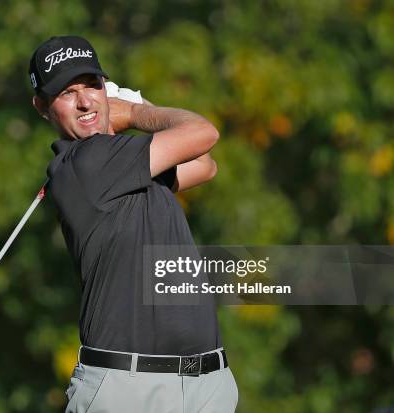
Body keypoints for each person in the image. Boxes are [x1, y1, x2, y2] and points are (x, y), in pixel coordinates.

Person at [29, 35, 238, 413]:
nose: (84, 101)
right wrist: (135, 113)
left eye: (92, 86)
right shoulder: (84, 164)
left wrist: (135, 111)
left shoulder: (130, 165)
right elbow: (204, 133)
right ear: (42, 107)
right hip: (129, 390)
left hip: (205, 384)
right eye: (66, 93)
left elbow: (205, 165)